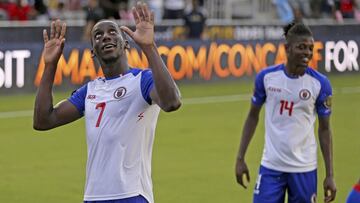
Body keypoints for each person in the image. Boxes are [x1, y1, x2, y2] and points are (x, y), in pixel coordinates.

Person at [33, 2, 181, 203]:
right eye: (98, 35)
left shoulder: (142, 80)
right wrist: (50, 66)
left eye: (113, 32)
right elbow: (43, 120)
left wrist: (149, 47)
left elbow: (172, 102)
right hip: (93, 196)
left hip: (131, 194)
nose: (105, 36)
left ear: (125, 43)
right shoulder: (90, 90)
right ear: (93, 51)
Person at [235, 22, 336, 203]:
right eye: (302, 47)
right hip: (271, 167)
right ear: (287, 49)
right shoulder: (267, 78)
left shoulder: (320, 84)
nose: (307, 53)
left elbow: (325, 129)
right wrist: (240, 158)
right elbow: (252, 116)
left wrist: (330, 175)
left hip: (304, 168)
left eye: (310, 48)